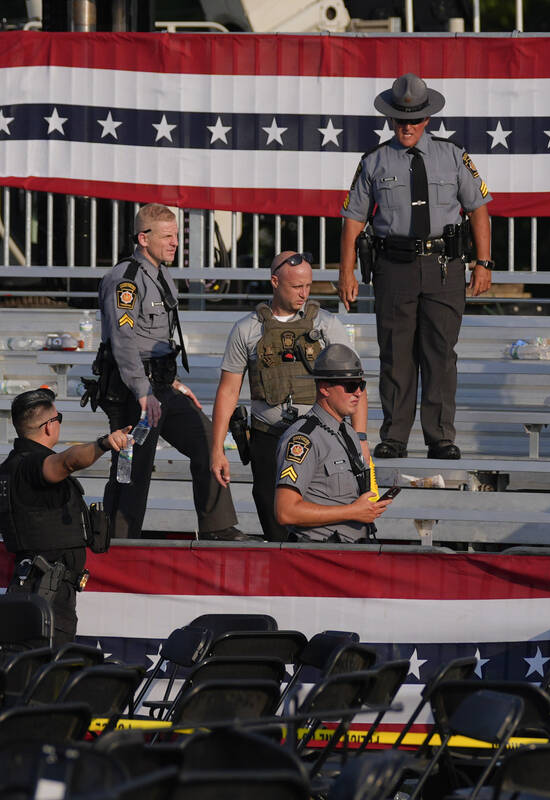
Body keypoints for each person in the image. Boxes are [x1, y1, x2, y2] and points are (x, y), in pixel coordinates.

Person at [338, 72, 494, 461]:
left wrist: (484, 262)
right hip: (394, 267)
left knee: (440, 354)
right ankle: (394, 436)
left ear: (427, 120)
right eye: (400, 119)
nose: (407, 127)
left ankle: (440, 437)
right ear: (390, 120)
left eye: (414, 120)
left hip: (444, 267)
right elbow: (353, 219)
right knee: (396, 354)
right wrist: (346, 270)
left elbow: (478, 209)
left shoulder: (453, 155)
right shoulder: (374, 161)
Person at [93, 202, 244, 540]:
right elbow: (124, 341)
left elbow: (154, 338)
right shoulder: (127, 279)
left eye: (176, 236)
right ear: (143, 238)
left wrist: (171, 382)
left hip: (160, 386)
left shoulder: (160, 272)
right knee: (133, 468)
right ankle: (117, 542)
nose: (175, 242)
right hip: (134, 392)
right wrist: (144, 393)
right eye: (167, 236)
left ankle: (218, 528)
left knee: (209, 441)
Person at [210, 251, 368, 541]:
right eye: (296, 287)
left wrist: (360, 440)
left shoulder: (327, 325)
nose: (304, 293)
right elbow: (228, 390)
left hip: (321, 440)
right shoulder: (247, 329)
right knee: (276, 528)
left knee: (319, 527)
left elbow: (355, 385)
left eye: (308, 285)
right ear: (274, 282)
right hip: (268, 437)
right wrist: (217, 448)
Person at [0, 388, 130, 645]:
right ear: (48, 426)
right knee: (46, 673)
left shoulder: (17, 464)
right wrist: (103, 443)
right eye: (59, 419)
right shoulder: (30, 465)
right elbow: (68, 461)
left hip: (45, 591)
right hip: (46, 594)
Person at [274, 344, 392, 542]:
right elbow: (286, 511)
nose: (358, 393)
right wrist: (352, 512)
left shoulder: (348, 433)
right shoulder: (303, 440)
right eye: (350, 386)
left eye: (360, 385)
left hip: (352, 551)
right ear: (325, 388)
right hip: (320, 556)